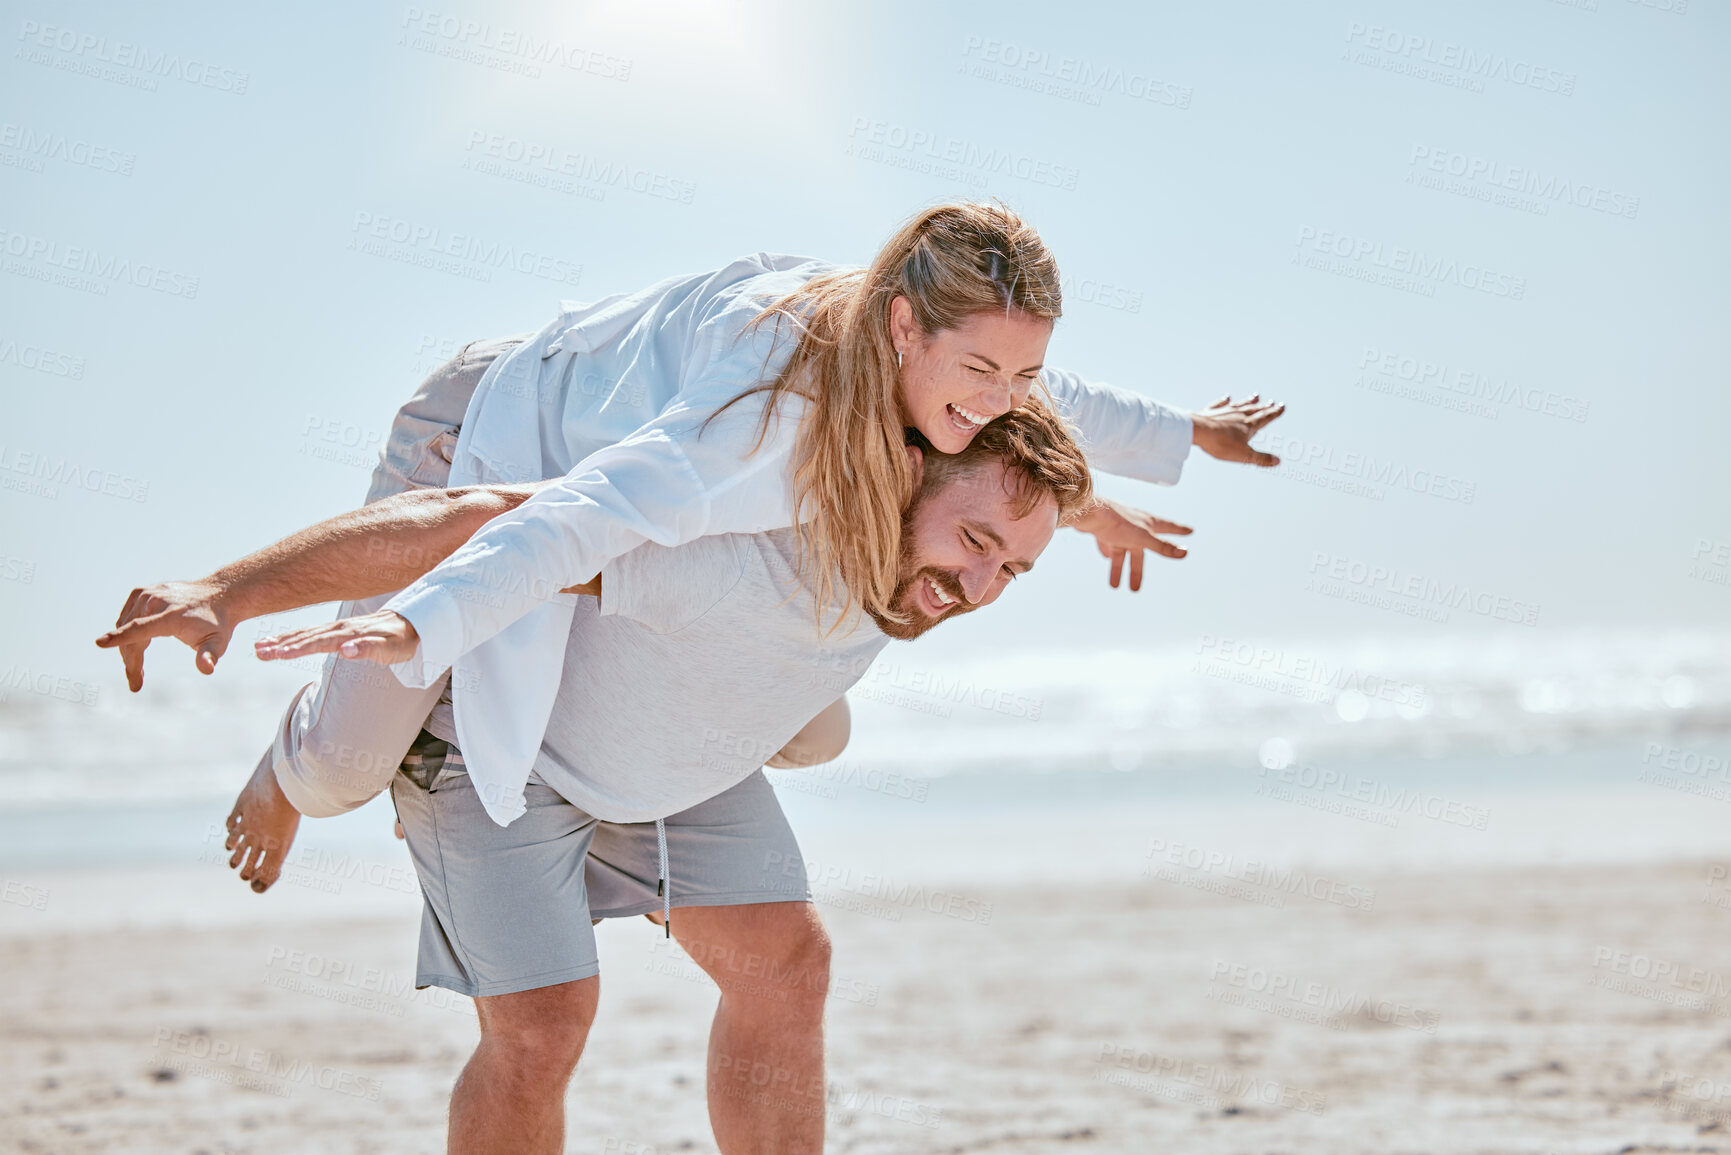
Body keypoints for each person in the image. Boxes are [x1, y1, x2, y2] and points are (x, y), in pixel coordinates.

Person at [101, 201, 1286, 892]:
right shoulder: (762, 419)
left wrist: (1171, 445)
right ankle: (289, 758)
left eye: (1012, 372)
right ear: (901, 325)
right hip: (484, 433)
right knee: (354, 764)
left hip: (600, 487)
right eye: (977, 370)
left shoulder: (941, 375)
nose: (998, 395)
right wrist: (247, 590)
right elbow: (537, 516)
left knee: (811, 724)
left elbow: (1044, 403)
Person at [104, 400, 1095, 1155]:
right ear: (903, 473)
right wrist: (226, 590)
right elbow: (473, 520)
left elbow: (1010, 398)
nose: (978, 590)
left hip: (672, 730)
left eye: (1011, 569)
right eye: (973, 544)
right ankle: (292, 765)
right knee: (542, 1025)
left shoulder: (932, 528)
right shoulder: (736, 544)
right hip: (502, 733)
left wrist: (1102, 508)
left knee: (786, 963)